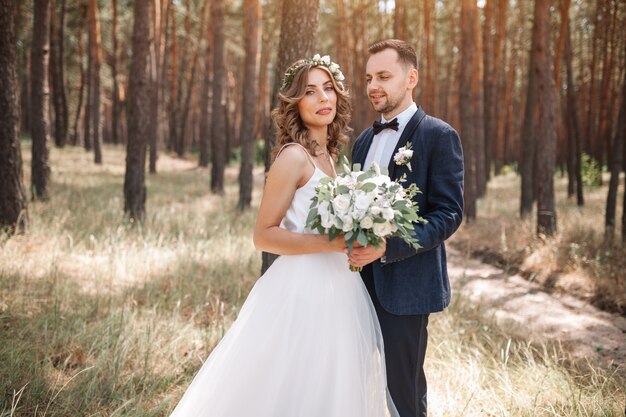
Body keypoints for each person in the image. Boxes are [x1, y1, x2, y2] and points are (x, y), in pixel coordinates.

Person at [168, 55, 398, 417]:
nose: (323, 98)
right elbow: (263, 236)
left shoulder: (330, 157)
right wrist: (332, 244)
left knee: (328, 388)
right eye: (310, 91)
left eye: (328, 89)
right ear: (296, 102)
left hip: (340, 290)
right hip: (301, 291)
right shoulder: (294, 156)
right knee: (289, 387)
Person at [349, 39, 464, 417]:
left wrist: (389, 246)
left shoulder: (438, 136)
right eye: (368, 78)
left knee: (404, 389)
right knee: (354, 380)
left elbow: (448, 214)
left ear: (411, 78)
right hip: (354, 285)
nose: (373, 86)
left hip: (408, 285)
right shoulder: (363, 141)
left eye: (384, 76)